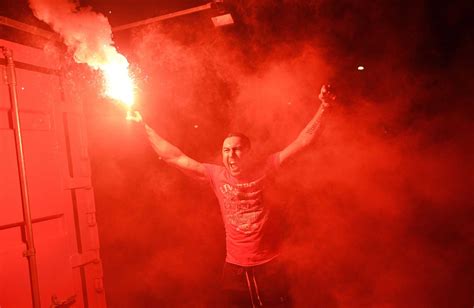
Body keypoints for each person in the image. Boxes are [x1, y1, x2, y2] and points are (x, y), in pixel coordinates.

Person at [129, 84, 335, 307]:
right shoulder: (216, 175)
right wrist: (143, 126)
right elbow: (174, 157)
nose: (231, 155)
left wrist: (324, 106)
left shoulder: (267, 167)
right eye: (226, 150)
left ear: (248, 152)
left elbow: (303, 141)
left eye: (237, 149)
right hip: (234, 268)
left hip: (269, 266)